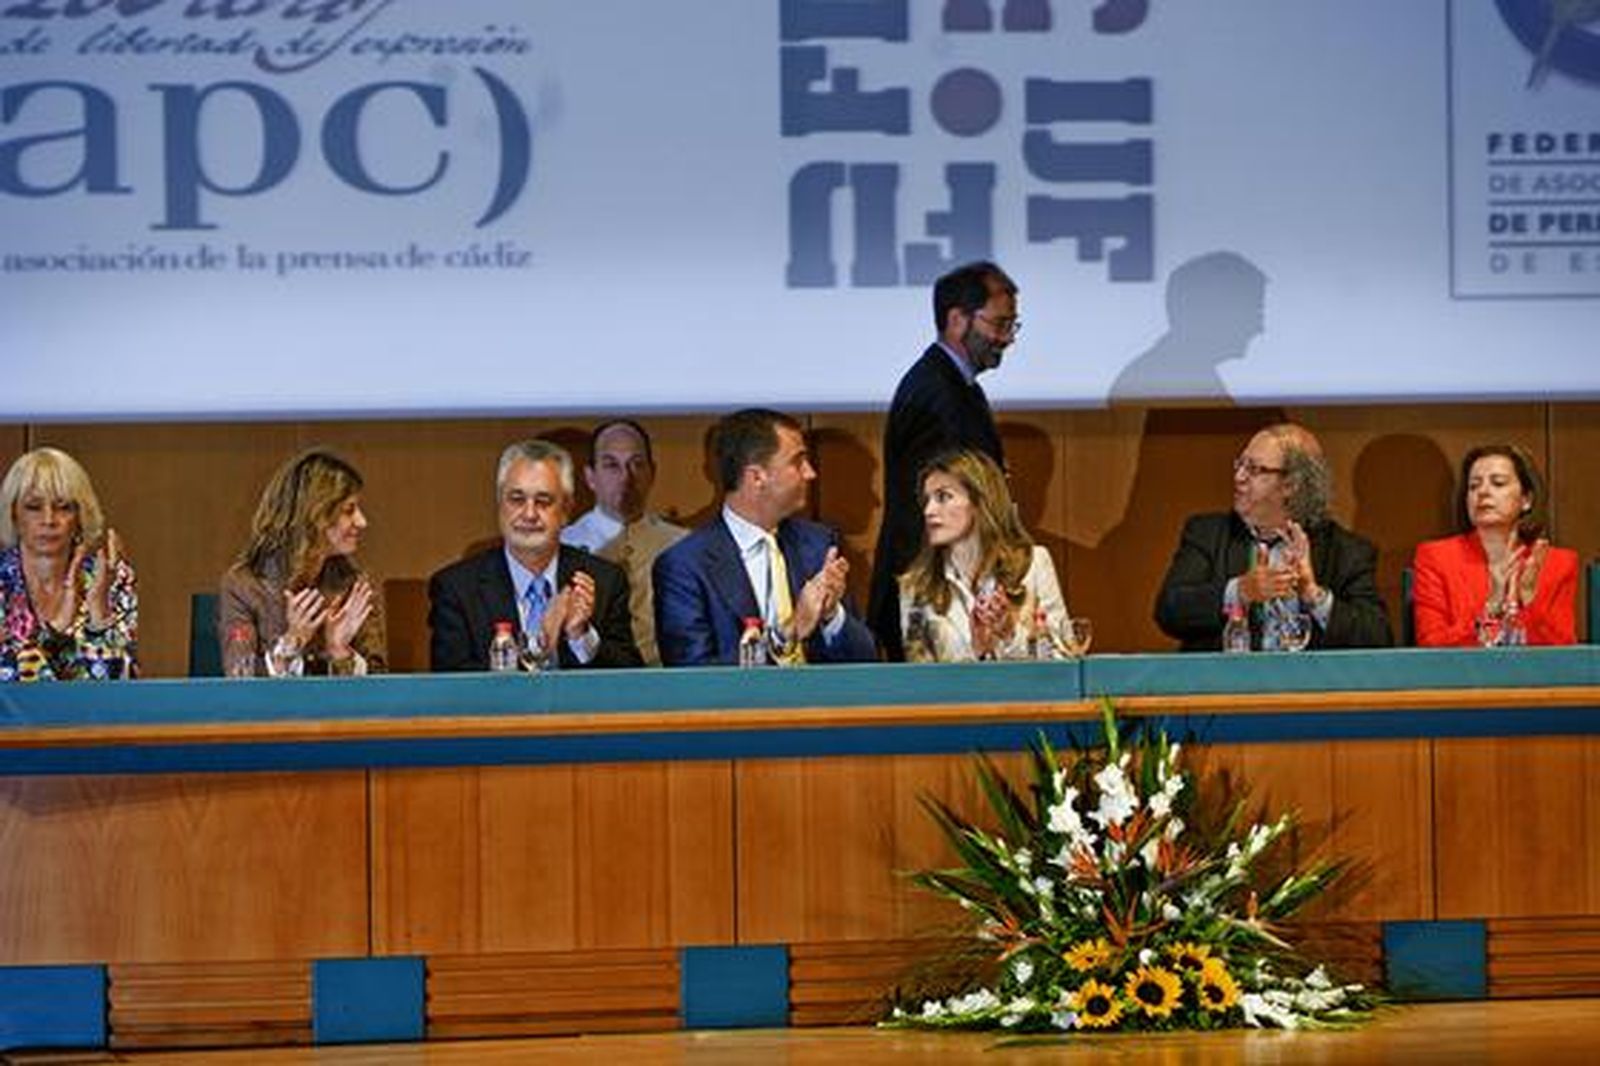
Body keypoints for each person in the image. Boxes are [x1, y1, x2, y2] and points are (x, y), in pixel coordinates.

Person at [868, 261, 1018, 661]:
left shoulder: (956, 386)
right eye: (999, 324)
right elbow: (926, 504)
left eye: (1012, 326)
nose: (1007, 338)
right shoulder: (936, 393)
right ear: (957, 320)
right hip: (928, 595)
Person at [654, 408, 878, 666]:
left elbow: (865, 659)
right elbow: (693, 674)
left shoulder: (818, 545)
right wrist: (786, 634)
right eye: (798, 462)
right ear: (757, 477)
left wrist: (832, 616)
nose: (810, 473)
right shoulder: (684, 566)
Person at [1154, 423, 1392, 651]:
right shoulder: (1208, 534)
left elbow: (1378, 638)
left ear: (1291, 484)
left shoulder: (1347, 551)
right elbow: (1169, 611)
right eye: (1240, 464)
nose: (1239, 477)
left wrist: (1313, 594)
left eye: (1254, 469)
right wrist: (1240, 591)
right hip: (1223, 678)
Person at [429, 439, 642, 671]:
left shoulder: (604, 582)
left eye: (543, 501)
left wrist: (581, 636)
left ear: (566, 510)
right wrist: (541, 646)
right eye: (517, 499)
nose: (529, 514)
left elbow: (630, 679)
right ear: (500, 504)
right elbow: (452, 685)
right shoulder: (457, 589)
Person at [221, 449, 386, 676]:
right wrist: (291, 643)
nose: (362, 521)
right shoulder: (244, 586)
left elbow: (379, 683)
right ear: (315, 515)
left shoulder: (354, 584)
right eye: (348, 510)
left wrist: (340, 652)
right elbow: (239, 678)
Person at [899, 449, 1069, 662]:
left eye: (943, 497)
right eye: (927, 500)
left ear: (980, 502)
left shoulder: (1034, 564)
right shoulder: (916, 586)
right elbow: (920, 676)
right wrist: (976, 652)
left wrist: (1010, 634)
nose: (928, 511)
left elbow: (1063, 660)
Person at [1413, 444, 1578, 646]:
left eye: (1498, 483)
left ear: (1526, 499)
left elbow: (1564, 648)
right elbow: (1431, 645)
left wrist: (1529, 602)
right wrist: (1491, 607)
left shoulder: (1558, 563)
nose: (1483, 492)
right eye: (1474, 486)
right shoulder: (1437, 558)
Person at [0, 447, 137, 681]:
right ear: (13, 514)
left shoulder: (111, 580)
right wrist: (58, 628)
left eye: (63, 508)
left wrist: (99, 614)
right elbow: (8, 684)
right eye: (33, 507)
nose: (48, 520)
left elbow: (121, 686)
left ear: (80, 517)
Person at [561, 419, 687, 665]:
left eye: (637, 464)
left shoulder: (682, 545)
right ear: (590, 477)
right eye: (611, 465)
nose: (626, 477)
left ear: (652, 473)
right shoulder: (564, 545)